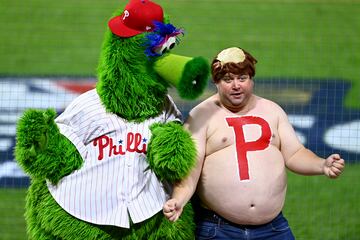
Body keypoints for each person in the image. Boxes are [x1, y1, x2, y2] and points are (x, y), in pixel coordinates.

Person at [163, 47, 345, 239]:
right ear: (216, 82)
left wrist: (321, 164)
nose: (236, 85)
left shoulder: (272, 110)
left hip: (273, 229)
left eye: (242, 78)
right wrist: (178, 200)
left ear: (251, 79)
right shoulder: (200, 117)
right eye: (228, 79)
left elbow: (294, 153)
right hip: (219, 230)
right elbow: (189, 173)